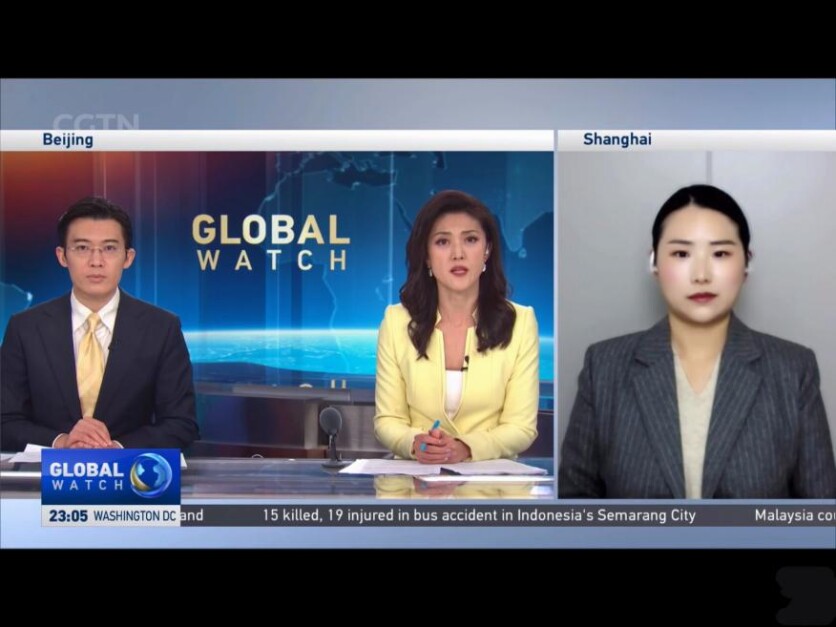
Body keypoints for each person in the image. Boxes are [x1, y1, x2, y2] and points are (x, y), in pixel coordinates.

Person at [559, 184, 836, 498]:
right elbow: (575, 505)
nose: (701, 274)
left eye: (720, 253)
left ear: (746, 262)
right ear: (654, 262)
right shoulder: (604, 367)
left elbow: (821, 513)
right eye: (681, 254)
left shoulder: (793, 370)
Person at [1, 197, 199, 450]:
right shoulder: (25, 328)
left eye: (109, 248)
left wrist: (115, 448)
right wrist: (62, 442)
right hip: (48, 472)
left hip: (128, 472)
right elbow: (5, 421)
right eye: (82, 248)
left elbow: (182, 424)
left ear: (128, 257)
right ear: (62, 256)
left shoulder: (162, 328)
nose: (96, 261)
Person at [374, 190, 539, 463]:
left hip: (491, 483)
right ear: (426, 256)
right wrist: (415, 444)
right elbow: (388, 420)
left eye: (470, 240)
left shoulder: (520, 322)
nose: (458, 254)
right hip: (416, 480)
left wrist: (465, 447)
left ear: (487, 251)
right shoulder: (396, 322)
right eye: (442, 242)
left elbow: (521, 427)